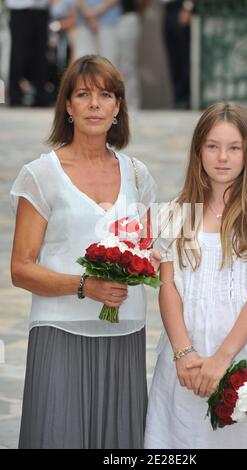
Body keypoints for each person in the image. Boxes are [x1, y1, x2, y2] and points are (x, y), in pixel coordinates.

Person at [10, 55, 158, 449]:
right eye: (83, 94)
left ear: (118, 107)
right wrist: (84, 286)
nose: (95, 103)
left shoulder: (139, 176)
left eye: (105, 95)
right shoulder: (40, 175)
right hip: (60, 330)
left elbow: (148, 252)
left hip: (123, 331)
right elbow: (20, 269)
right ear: (69, 107)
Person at [144, 102, 247, 449]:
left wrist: (222, 360)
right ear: (198, 151)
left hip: (246, 354)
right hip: (187, 361)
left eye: (233, 148)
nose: (222, 157)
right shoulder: (175, 213)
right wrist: (183, 354)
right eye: (212, 146)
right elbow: (168, 287)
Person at [6, 0, 50, 107]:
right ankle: (15, 95)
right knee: (19, 54)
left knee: (40, 54)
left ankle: (40, 95)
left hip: (41, 9)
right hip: (20, 9)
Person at [160, 0, 194, 109]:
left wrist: (188, 8)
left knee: (183, 57)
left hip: (180, 8)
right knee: (173, 58)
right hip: (168, 10)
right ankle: (178, 98)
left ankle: (186, 98)